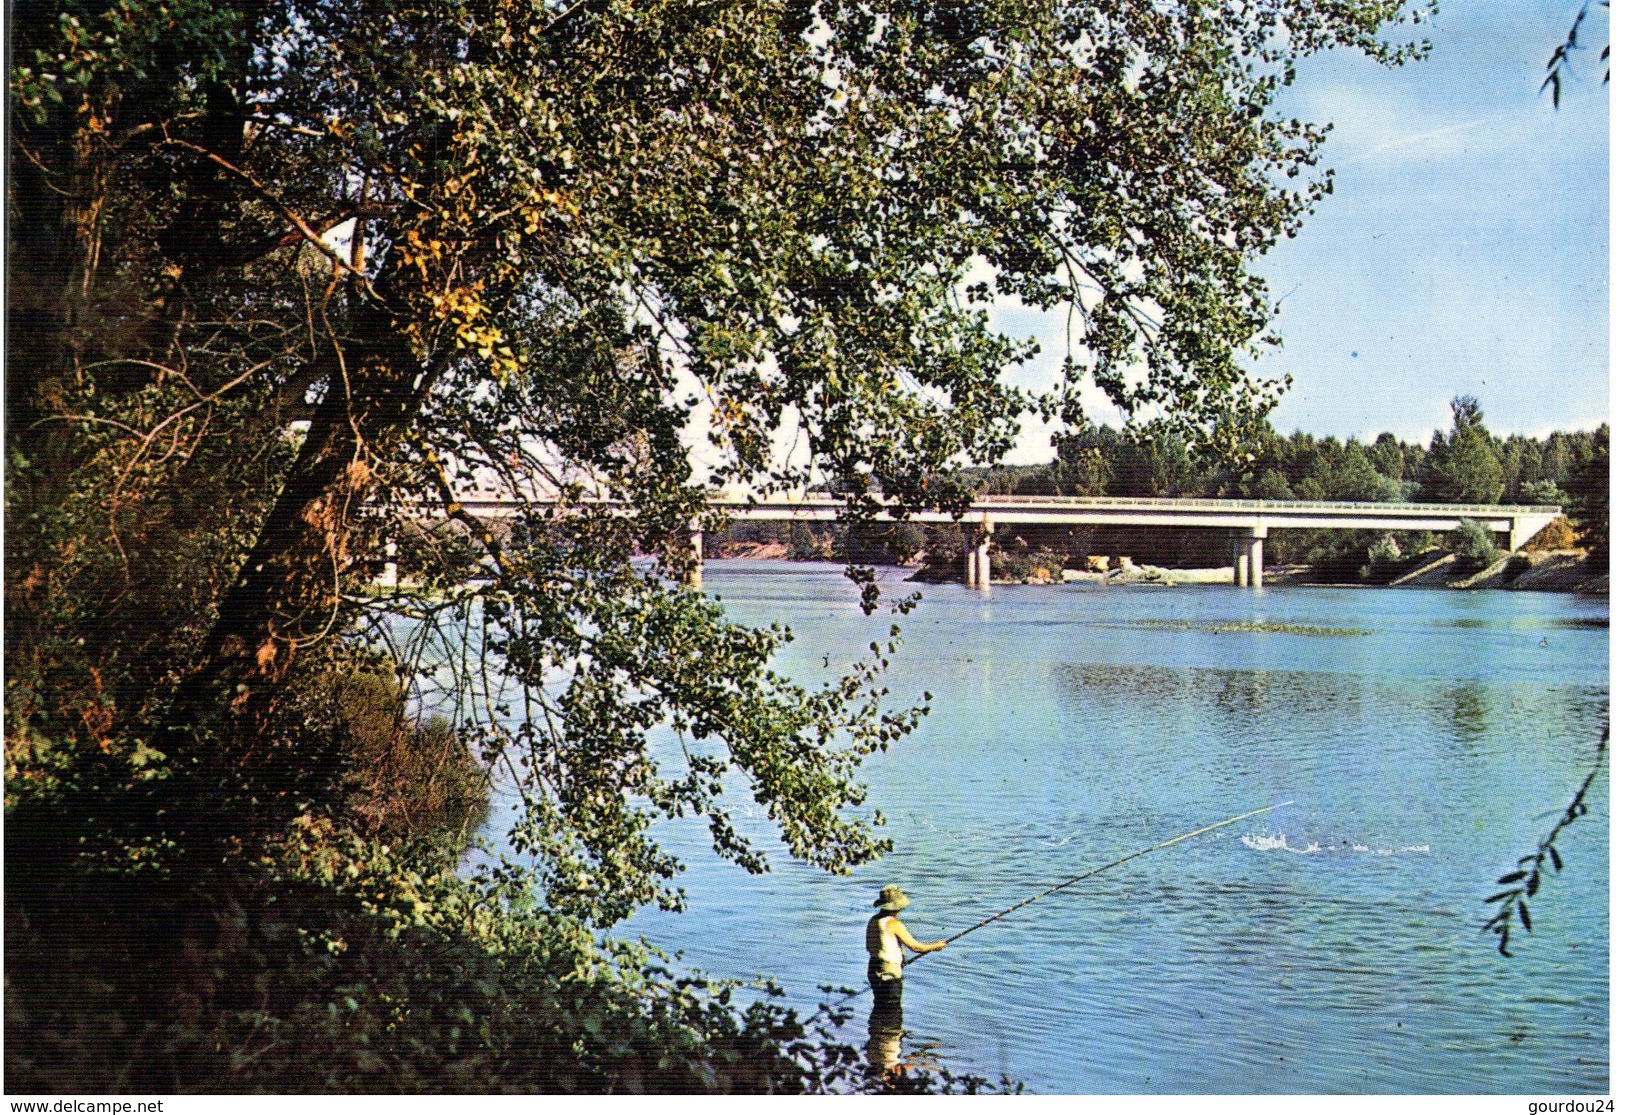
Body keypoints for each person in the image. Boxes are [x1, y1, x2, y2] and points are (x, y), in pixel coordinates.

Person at [865, 884, 946, 1075]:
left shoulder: (873, 921)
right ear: (897, 907)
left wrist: (920, 1061)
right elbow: (916, 947)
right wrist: (937, 946)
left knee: (880, 1006)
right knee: (893, 1011)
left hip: (874, 969)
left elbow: (876, 947)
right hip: (890, 974)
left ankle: (881, 1035)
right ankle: (889, 1035)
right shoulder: (894, 924)